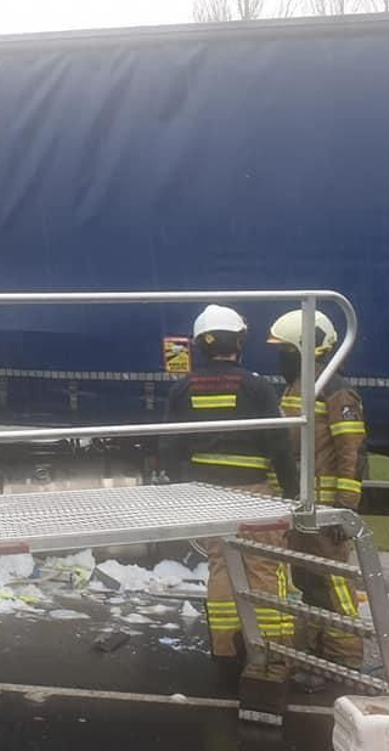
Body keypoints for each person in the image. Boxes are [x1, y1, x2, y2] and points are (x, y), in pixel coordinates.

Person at [161, 304, 298, 719]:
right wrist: (293, 495)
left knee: (222, 568)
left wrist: (189, 485)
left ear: (202, 344)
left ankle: (225, 652)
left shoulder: (182, 388)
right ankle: (271, 657)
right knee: (264, 570)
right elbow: (278, 447)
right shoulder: (257, 387)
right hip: (253, 495)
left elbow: (170, 447)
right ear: (239, 341)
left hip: (207, 496)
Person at [267, 310, 367, 683]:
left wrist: (345, 508)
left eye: (285, 350)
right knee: (309, 583)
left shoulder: (334, 389)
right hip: (302, 508)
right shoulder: (298, 386)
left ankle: (344, 660)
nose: (279, 358)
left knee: (333, 584)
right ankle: (316, 656)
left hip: (326, 511)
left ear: (304, 350)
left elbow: (351, 450)